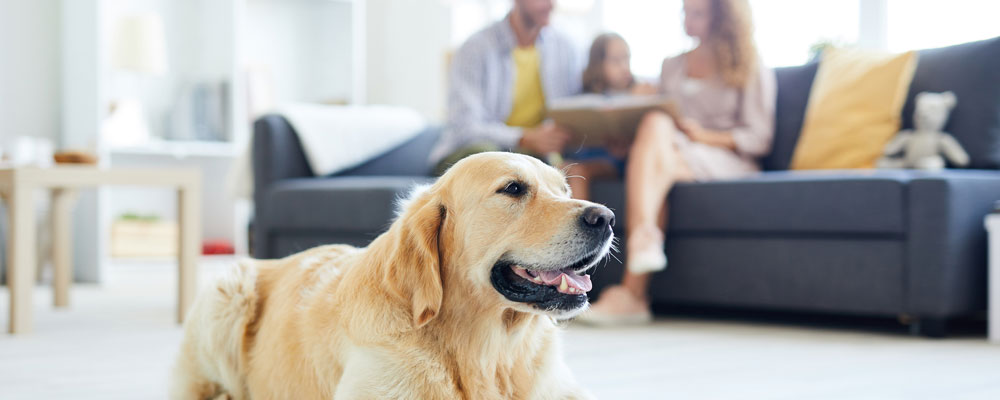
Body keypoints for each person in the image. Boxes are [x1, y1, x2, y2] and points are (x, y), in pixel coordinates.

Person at [577, 0, 776, 325]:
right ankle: (640, 260)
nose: (687, 19)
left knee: (657, 156)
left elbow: (760, 137)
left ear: (722, 17)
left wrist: (704, 136)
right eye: (685, 10)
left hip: (725, 158)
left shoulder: (749, 64)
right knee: (655, 124)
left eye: (697, 12)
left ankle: (634, 290)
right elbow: (660, 124)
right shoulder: (672, 65)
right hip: (674, 154)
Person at [429, 0, 582, 175]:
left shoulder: (567, 48)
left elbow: (576, 113)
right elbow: (465, 127)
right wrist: (524, 138)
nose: (551, 4)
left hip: (530, 158)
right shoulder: (476, 47)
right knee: (490, 157)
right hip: (469, 154)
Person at [564, 32, 658, 200]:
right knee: (561, 168)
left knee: (576, 171)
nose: (624, 67)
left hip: (616, 162)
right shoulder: (584, 98)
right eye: (616, 61)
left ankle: (583, 226)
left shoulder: (641, 92)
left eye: (627, 59)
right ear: (598, 64)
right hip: (587, 155)